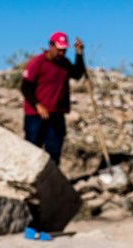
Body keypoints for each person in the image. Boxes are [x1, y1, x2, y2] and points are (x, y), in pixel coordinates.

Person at [20, 31, 85, 166]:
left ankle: (52, 182)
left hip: (56, 115)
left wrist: (79, 54)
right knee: (32, 148)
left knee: (54, 151)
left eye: (64, 50)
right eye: (59, 50)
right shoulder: (37, 63)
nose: (61, 53)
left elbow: (77, 74)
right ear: (51, 45)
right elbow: (25, 87)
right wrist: (37, 105)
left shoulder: (64, 63)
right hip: (36, 115)